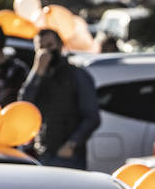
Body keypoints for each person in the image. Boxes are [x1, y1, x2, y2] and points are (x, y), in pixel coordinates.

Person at [19, 28, 100, 168]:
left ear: (60, 45)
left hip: (68, 156)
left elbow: (92, 117)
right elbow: (24, 105)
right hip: (44, 152)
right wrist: (37, 72)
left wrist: (72, 144)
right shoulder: (40, 76)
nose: (46, 52)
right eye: (41, 48)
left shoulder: (77, 75)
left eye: (50, 46)